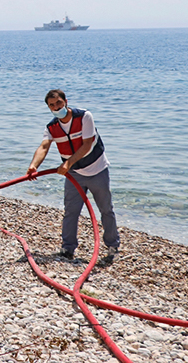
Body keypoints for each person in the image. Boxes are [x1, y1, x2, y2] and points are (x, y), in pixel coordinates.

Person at [27, 89, 120, 261]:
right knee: (71, 211)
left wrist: (67, 164)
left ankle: (113, 246)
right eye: (52, 105)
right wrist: (34, 165)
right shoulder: (52, 127)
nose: (56, 107)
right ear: (49, 108)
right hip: (74, 174)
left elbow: (86, 145)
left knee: (106, 209)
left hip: (97, 169)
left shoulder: (84, 117)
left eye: (59, 103)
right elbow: (44, 147)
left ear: (66, 101)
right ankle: (67, 248)